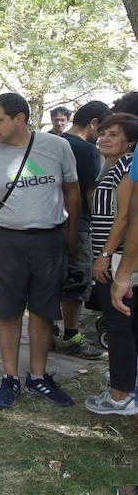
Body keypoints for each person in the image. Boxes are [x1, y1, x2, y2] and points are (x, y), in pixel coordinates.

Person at [0, 93, 80, 409]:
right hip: (6, 242)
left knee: (44, 311)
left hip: (49, 241)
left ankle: (39, 377)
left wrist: (71, 238)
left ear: (20, 118)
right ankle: (10, 377)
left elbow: (72, 191)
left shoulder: (57, 147)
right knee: (9, 311)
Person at [85, 114, 138, 415]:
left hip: (117, 259)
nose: (104, 138)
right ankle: (126, 383)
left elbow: (125, 217)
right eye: (103, 133)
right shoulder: (112, 166)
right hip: (114, 257)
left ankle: (120, 396)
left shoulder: (128, 167)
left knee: (118, 326)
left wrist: (104, 255)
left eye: (114, 134)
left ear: (130, 141)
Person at [55, 100, 110, 360]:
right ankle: (71, 336)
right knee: (77, 278)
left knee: (51, 280)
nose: (103, 138)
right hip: (79, 225)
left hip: (50, 222)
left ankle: (48, 331)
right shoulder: (87, 150)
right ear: (94, 123)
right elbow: (91, 194)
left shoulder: (51, 142)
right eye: (103, 130)